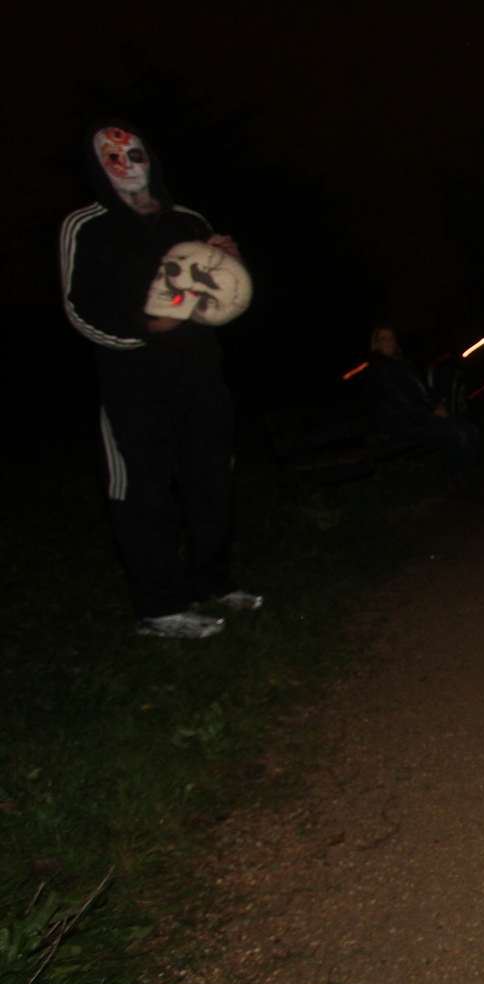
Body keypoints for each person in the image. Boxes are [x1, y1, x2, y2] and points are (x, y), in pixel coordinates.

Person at [59, 119, 260, 638]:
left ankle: (212, 581)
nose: (126, 165)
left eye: (135, 154)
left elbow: (222, 295)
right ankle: (160, 608)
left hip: (200, 375)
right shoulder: (85, 225)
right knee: (142, 492)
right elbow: (79, 310)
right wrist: (146, 328)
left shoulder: (188, 220)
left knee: (212, 481)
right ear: (97, 165)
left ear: (151, 158)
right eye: (112, 157)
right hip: (133, 383)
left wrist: (231, 263)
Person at [364, 326, 484, 497]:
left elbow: (423, 391)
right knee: (458, 433)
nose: (389, 342)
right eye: (384, 339)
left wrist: (437, 405)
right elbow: (399, 400)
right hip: (400, 423)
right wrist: (431, 411)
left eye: (392, 338)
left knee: (471, 430)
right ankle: (456, 480)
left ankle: (470, 478)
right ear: (376, 343)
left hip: (418, 417)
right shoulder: (378, 369)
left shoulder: (404, 364)